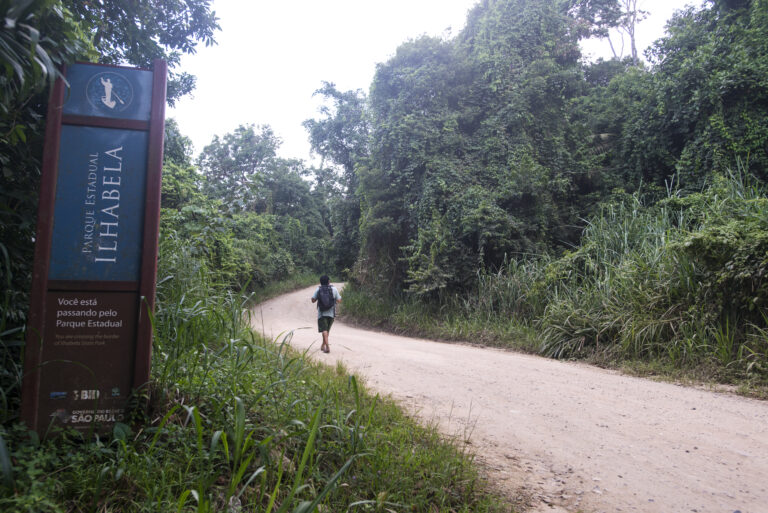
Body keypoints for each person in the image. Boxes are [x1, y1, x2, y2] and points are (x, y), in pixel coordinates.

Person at [310, 275, 341, 353]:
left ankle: (327, 346)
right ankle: (323, 346)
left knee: (324, 330)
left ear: (320, 282)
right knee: (327, 331)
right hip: (331, 313)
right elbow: (339, 300)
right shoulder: (334, 289)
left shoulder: (318, 289)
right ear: (328, 281)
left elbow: (313, 300)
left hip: (322, 313)